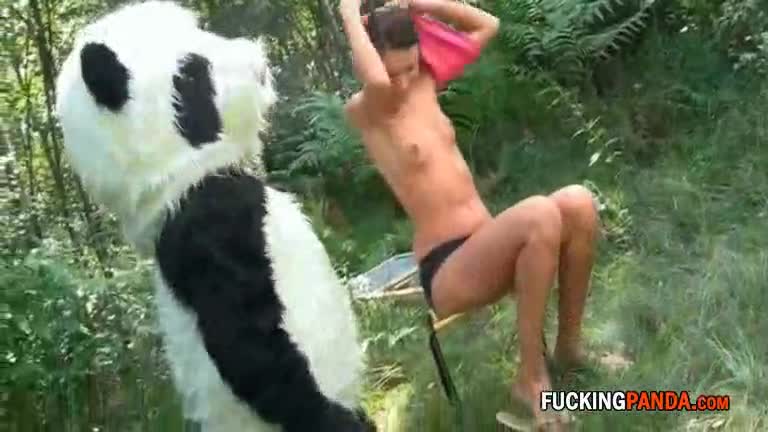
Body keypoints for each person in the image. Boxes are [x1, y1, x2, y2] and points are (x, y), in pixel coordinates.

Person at [339, 0, 600, 428]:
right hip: (448, 268)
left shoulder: (424, 82)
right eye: (392, 72)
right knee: (539, 214)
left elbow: (487, 26)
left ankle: (568, 352)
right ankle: (530, 378)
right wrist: (349, 13)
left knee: (579, 203)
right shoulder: (368, 109)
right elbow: (377, 80)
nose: (403, 81)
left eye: (410, 67)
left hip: (486, 243)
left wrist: (418, 4)